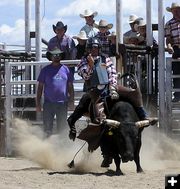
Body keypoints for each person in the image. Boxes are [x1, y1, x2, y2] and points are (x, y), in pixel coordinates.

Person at [36, 48, 74, 137]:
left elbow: (70, 87)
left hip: (62, 104)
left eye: (58, 55)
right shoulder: (45, 70)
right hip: (48, 103)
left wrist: (71, 101)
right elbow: (40, 88)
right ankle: (46, 148)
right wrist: (38, 103)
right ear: (51, 57)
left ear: (61, 56)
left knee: (62, 128)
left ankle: (60, 148)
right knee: (47, 128)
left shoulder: (66, 70)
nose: (56, 57)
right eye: (54, 55)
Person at [165, 2, 180, 102]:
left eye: (178, 10)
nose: (177, 12)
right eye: (175, 11)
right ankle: (178, 95)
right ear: (172, 12)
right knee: (176, 71)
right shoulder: (169, 24)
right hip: (177, 48)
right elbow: (168, 39)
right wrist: (169, 47)